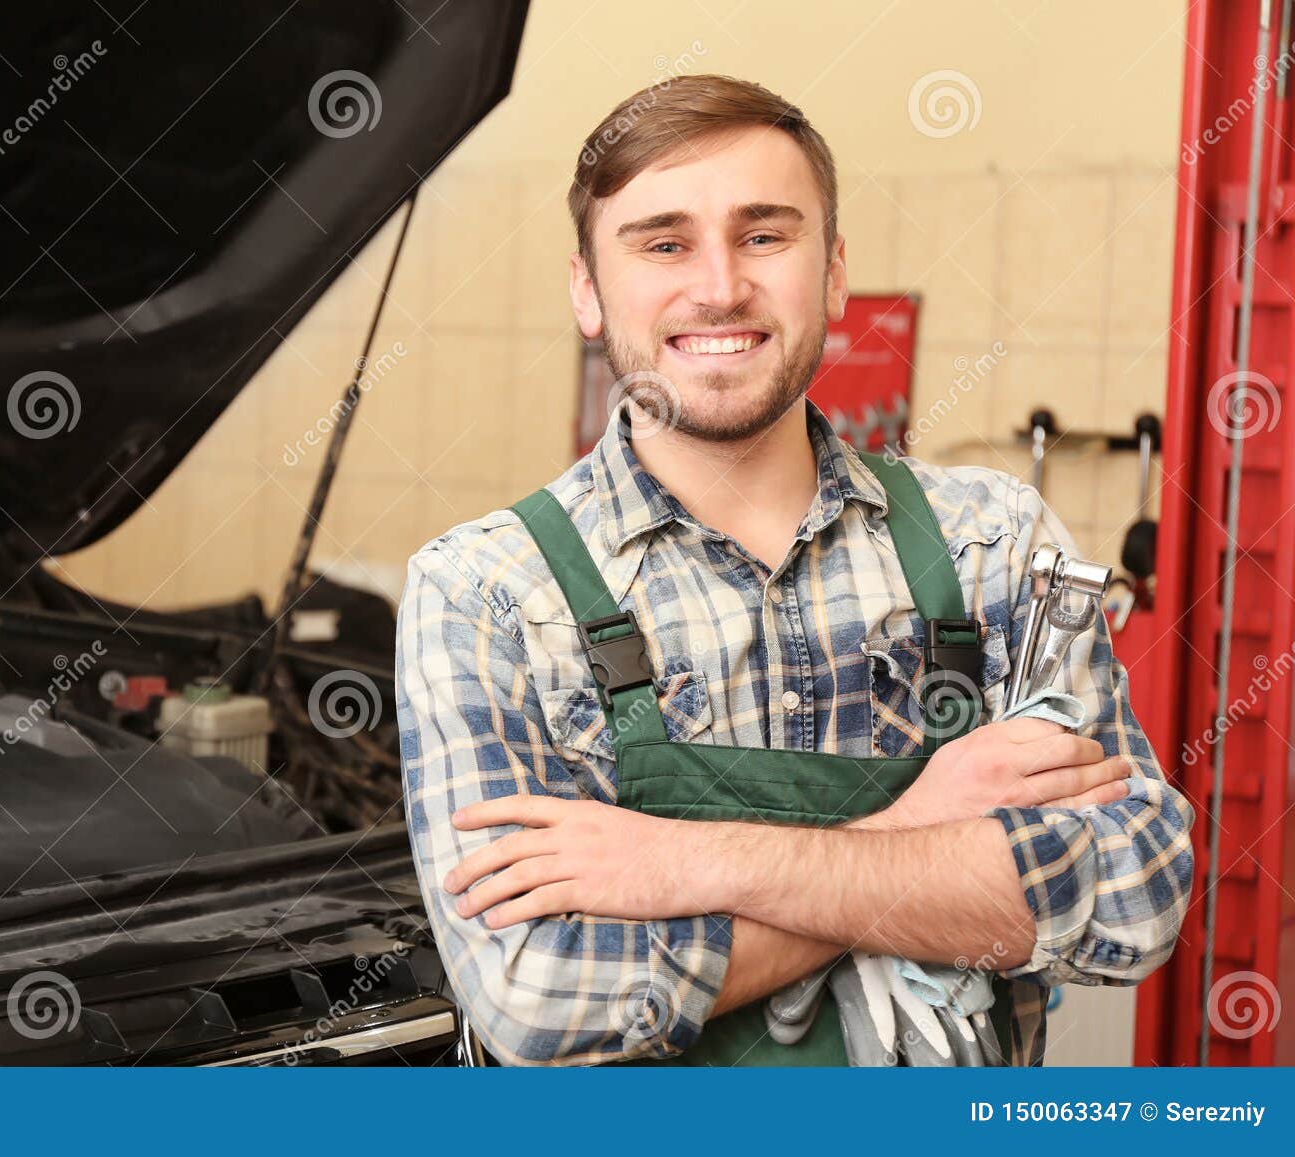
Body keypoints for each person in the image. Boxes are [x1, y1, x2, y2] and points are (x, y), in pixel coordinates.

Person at [394, 74, 1193, 1066]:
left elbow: (1134, 894)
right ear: (587, 291)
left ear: (833, 271)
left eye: (764, 235)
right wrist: (919, 832)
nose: (720, 286)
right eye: (663, 242)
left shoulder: (989, 539)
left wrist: (688, 860)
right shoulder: (489, 592)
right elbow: (543, 1002)